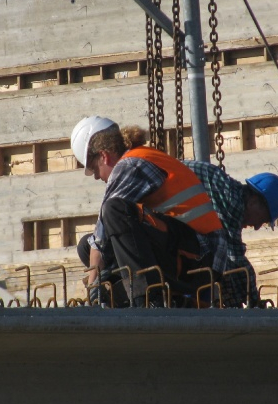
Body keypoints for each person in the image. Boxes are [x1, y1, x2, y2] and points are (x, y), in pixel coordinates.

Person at [71, 116, 227, 307]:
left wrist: (93, 287)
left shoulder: (130, 165)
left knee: (114, 212)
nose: (96, 177)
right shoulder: (139, 157)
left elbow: (102, 231)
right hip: (188, 254)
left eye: (95, 169)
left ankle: (147, 299)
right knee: (85, 247)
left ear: (104, 156)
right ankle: (129, 293)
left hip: (199, 259)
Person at [184, 160, 278, 308]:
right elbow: (235, 260)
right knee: (215, 260)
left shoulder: (230, 196)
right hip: (158, 197)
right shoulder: (232, 202)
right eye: (262, 219)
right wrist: (253, 302)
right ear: (253, 202)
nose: (257, 227)